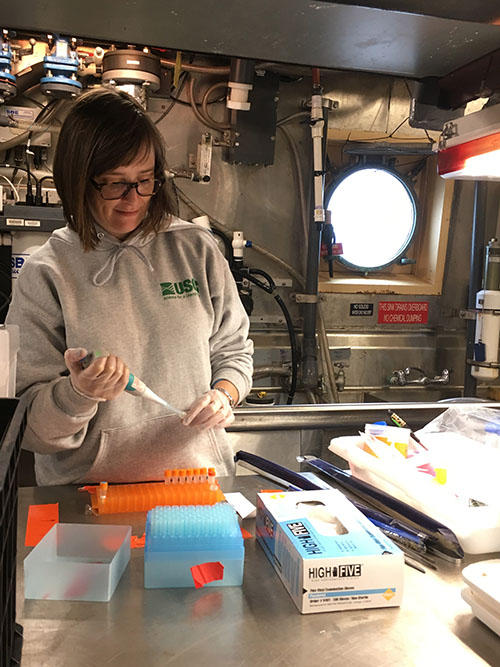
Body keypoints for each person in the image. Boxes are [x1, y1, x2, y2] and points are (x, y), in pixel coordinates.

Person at [6, 86, 253, 486]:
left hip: (197, 488)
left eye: (144, 180)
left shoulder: (195, 249)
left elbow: (234, 351)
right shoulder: (47, 272)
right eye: (114, 183)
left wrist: (224, 395)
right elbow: (30, 429)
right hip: (88, 500)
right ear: (77, 181)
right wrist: (78, 392)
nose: (132, 199)